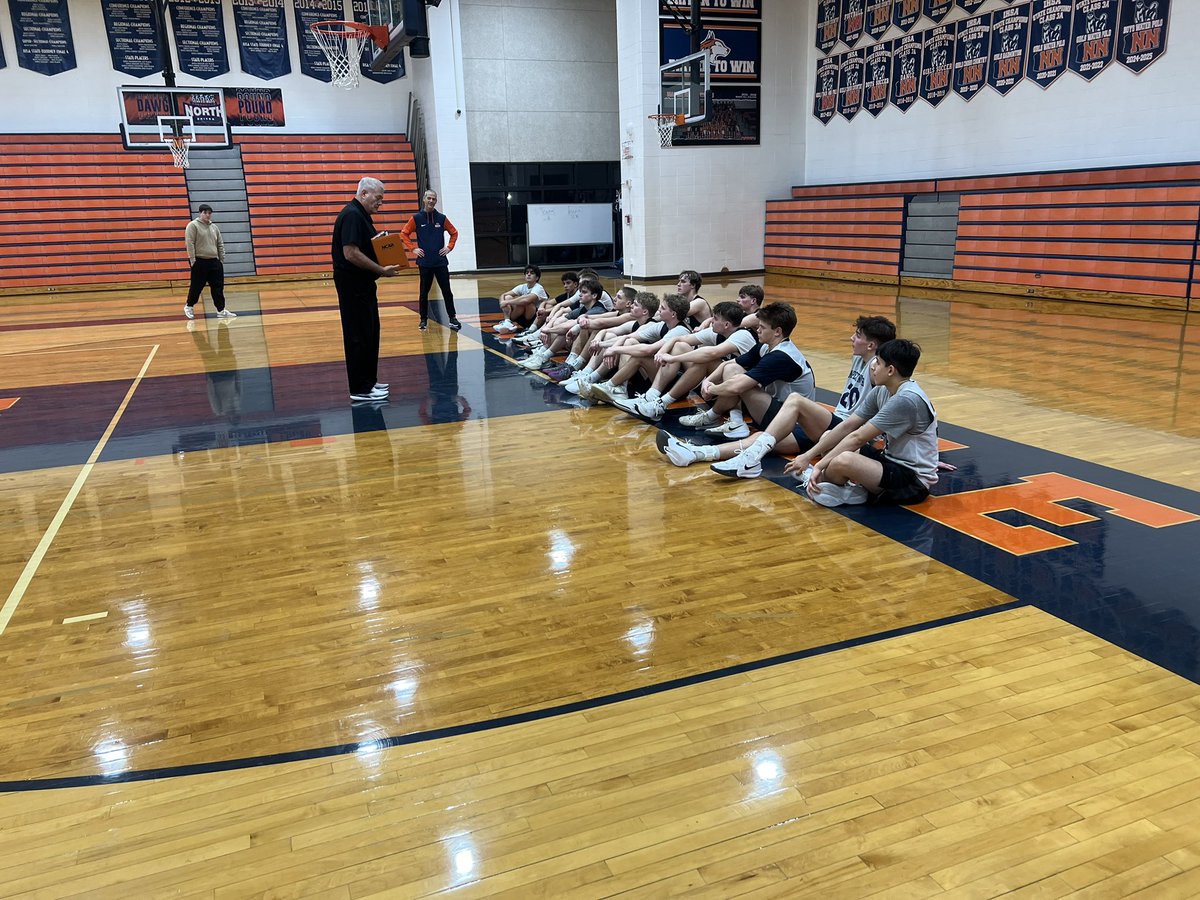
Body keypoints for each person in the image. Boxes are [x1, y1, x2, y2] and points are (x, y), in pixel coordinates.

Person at [661, 314, 896, 475]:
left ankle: (731, 442)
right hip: (827, 425)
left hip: (844, 428)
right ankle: (696, 453)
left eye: (857, 335)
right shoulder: (859, 358)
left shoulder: (880, 368)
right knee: (765, 439)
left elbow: (892, 404)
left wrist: (889, 442)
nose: (851, 338)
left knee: (794, 402)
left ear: (872, 345)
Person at [784, 338, 939, 507]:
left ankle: (821, 481)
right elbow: (848, 425)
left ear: (890, 370)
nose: (872, 367)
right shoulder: (882, 390)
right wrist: (807, 456)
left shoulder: (906, 400)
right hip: (889, 462)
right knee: (829, 437)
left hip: (912, 481)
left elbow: (858, 437)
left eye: (878, 363)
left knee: (843, 460)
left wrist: (818, 466)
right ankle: (849, 491)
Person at [677, 301, 815, 439]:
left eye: (762, 327)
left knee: (740, 382)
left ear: (777, 332)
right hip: (775, 408)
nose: (758, 330)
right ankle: (732, 421)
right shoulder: (766, 346)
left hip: (791, 422)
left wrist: (711, 389)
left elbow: (737, 387)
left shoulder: (781, 356)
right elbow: (731, 363)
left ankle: (717, 418)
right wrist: (709, 380)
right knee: (732, 368)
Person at [332, 177, 401, 403]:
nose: (380, 202)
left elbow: (361, 246)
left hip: (363, 285)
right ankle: (360, 388)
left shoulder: (361, 215)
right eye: (378, 198)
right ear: (364, 194)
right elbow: (350, 253)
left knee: (370, 332)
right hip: (353, 285)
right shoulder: (352, 214)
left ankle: (369, 382)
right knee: (358, 336)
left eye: (382, 198)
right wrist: (381, 269)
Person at [401, 189, 460, 332]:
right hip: (425, 263)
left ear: (436, 201)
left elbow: (454, 233)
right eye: (429, 198)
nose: (431, 201)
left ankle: (452, 317)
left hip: (440, 262)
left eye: (434, 199)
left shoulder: (442, 218)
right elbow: (404, 234)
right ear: (424, 199)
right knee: (423, 292)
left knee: (447, 291)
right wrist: (413, 249)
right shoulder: (416, 218)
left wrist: (449, 247)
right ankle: (423, 319)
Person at [184, 204, 234, 320]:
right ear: (200, 213)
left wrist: (221, 260)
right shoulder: (193, 226)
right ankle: (189, 306)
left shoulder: (214, 227)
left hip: (214, 262)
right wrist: (192, 260)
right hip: (200, 261)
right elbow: (189, 243)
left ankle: (221, 310)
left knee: (218, 287)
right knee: (197, 286)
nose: (207, 215)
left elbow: (220, 244)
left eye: (209, 213)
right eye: (205, 212)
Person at [494, 265, 549, 333]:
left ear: (537, 278)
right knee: (508, 297)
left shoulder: (539, 288)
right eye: (527, 273)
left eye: (532, 273)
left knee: (525, 302)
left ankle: (511, 323)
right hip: (521, 314)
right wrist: (502, 302)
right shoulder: (522, 286)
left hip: (534, 317)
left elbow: (526, 300)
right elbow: (504, 295)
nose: (528, 274)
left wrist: (507, 302)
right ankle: (507, 322)